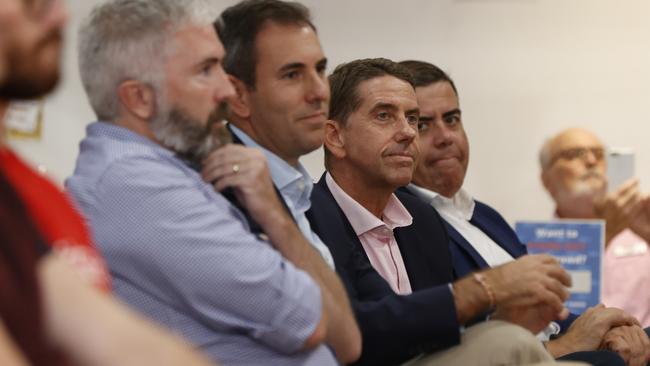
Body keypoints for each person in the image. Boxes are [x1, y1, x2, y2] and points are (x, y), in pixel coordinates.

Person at [66, 0, 359, 364]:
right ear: (139, 98)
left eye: (220, 65)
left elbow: (344, 337)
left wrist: (275, 219)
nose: (226, 90)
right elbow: (312, 322)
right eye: (206, 70)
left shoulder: (173, 170)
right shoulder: (138, 185)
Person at [306, 57, 589, 366]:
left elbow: (436, 335)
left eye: (412, 119)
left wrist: (508, 317)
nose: (408, 133)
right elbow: (357, 335)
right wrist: (486, 290)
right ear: (335, 137)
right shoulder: (308, 218)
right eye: (385, 116)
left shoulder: (423, 220)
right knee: (511, 344)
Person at [0, 0, 216, 365]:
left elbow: (109, 335)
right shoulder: (123, 179)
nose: (60, 16)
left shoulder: (26, 194)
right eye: (34, 4)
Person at [400, 59, 650, 366]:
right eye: (423, 125)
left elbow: (553, 310)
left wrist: (615, 328)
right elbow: (463, 337)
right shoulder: (405, 221)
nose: (445, 136)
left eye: (452, 119)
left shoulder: (485, 216)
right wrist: (573, 343)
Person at [541, 127, 650, 328]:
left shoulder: (641, 230)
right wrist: (606, 233)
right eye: (575, 154)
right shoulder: (532, 244)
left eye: (599, 155)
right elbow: (554, 313)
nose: (592, 162)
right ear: (546, 180)